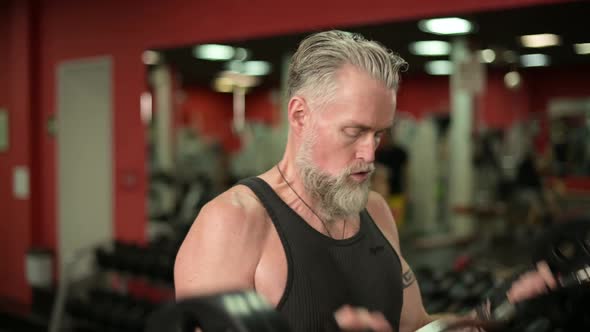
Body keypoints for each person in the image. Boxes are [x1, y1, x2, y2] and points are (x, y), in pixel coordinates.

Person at [174, 30, 556, 332]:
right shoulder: (233, 223)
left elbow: (415, 326)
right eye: (354, 132)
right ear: (300, 115)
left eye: (378, 134)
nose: (370, 154)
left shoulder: (373, 210)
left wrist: (494, 310)